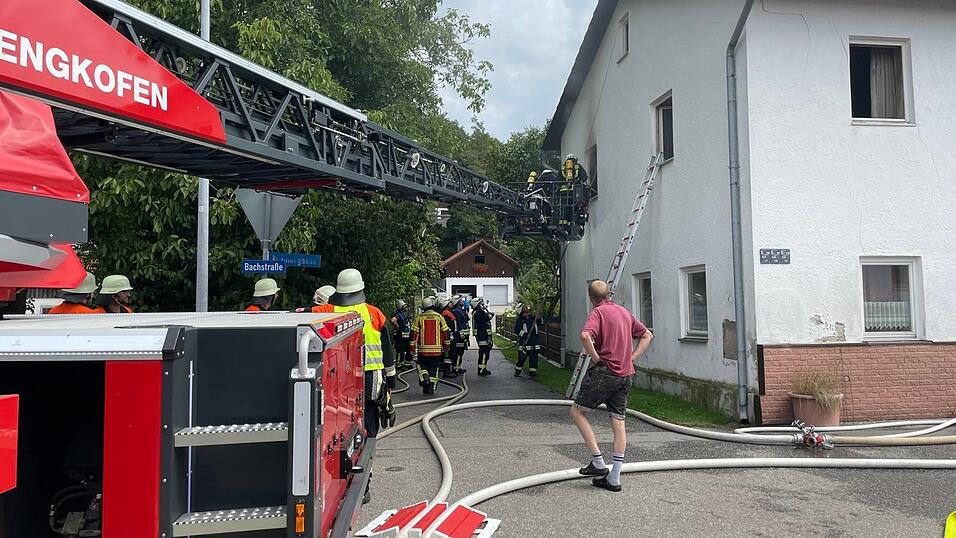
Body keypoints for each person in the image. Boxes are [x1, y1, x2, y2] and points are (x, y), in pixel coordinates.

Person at [312, 268, 396, 504]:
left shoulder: (325, 311)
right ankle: (363, 485)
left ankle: (338, 482)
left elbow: (297, 316)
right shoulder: (374, 313)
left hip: (339, 384)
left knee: (337, 436)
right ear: (361, 290)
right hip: (370, 383)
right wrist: (389, 387)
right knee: (367, 435)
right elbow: (388, 354)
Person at [571, 280, 653, 493]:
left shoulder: (597, 313)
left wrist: (596, 357)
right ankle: (614, 478)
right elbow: (647, 335)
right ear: (610, 294)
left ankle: (598, 462)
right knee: (618, 423)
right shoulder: (624, 312)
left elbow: (585, 335)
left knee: (578, 411)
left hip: (605, 373)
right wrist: (632, 357)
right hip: (625, 375)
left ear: (591, 299)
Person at [409, 296, 450, 394]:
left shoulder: (419, 318)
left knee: (421, 366)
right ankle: (431, 388)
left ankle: (425, 379)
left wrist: (412, 349)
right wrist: (447, 347)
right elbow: (446, 333)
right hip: (437, 351)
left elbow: (413, 334)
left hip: (423, 351)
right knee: (434, 368)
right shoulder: (439, 317)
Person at [513, 303, 542, 377]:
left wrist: (538, 318)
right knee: (521, 358)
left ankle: (533, 372)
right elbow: (517, 330)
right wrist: (525, 335)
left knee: (534, 359)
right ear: (521, 311)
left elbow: (541, 322)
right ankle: (518, 370)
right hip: (525, 343)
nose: (526, 309)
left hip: (534, 342)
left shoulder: (532, 317)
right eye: (524, 308)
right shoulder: (520, 320)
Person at [471, 297, 494, 375]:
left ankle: (483, 368)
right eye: (480, 303)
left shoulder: (480, 311)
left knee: (485, 353)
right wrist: (489, 316)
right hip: (482, 336)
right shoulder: (477, 313)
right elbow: (483, 320)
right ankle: (481, 369)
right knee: (483, 353)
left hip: (485, 335)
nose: (482, 304)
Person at [438, 293, 458, 378]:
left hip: (451, 336)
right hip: (449, 338)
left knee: (450, 354)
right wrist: (450, 335)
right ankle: (447, 371)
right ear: (446, 305)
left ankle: (448, 370)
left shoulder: (448, 312)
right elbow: (446, 327)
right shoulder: (446, 314)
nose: (451, 304)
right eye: (450, 303)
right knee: (448, 354)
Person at [451, 295, 470, 374]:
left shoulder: (460, 310)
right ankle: (456, 368)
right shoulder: (457, 312)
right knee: (458, 352)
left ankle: (458, 367)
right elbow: (458, 325)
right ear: (457, 302)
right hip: (459, 337)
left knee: (460, 352)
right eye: (460, 300)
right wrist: (461, 335)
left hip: (462, 336)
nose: (463, 301)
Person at [391, 300, 412, 368]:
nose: (405, 307)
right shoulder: (398, 314)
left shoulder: (405, 314)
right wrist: (398, 327)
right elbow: (393, 320)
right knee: (400, 350)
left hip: (407, 335)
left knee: (407, 349)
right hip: (401, 336)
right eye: (404, 306)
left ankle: (406, 362)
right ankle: (399, 363)